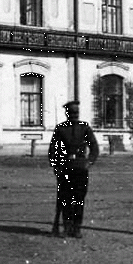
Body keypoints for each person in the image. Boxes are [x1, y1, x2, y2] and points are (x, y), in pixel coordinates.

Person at [48, 101, 99, 238]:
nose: (74, 115)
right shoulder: (60, 129)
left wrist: (89, 161)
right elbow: (53, 149)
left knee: (79, 198)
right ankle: (67, 227)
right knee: (65, 199)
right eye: (71, 113)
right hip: (65, 168)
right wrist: (56, 166)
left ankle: (77, 228)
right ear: (66, 114)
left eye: (76, 113)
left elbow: (94, 147)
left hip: (80, 168)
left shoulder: (84, 128)